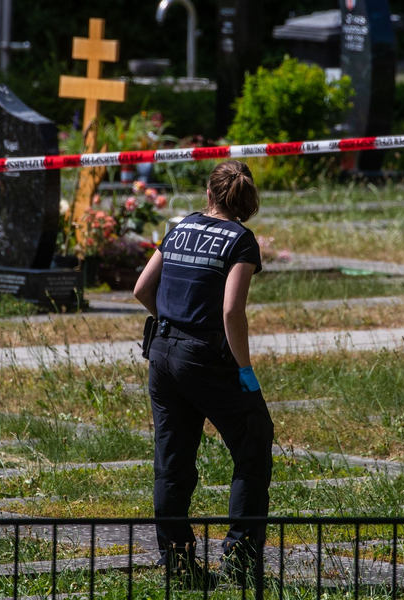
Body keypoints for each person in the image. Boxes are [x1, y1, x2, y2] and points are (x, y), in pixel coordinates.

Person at [133, 160, 274, 584]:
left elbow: (142, 289)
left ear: (209, 194)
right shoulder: (241, 241)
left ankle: (178, 565)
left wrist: (172, 325)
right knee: (253, 444)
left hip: (162, 351)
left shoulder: (180, 227)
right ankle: (240, 559)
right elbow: (232, 310)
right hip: (206, 358)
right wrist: (244, 369)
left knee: (172, 463)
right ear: (246, 201)